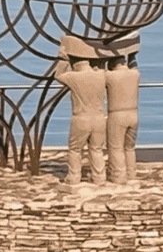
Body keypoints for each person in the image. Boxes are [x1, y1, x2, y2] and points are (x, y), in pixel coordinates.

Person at [54, 38, 107, 186]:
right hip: (99, 118)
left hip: (81, 118)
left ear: (75, 63)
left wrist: (63, 59)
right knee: (96, 149)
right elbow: (102, 66)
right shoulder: (101, 75)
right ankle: (99, 177)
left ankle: (74, 177)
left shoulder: (74, 77)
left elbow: (58, 76)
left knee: (75, 150)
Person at [105, 51, 140, 183]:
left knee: (116, 148)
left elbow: (99, 70)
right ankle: (131, 173)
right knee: (129, 148)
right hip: (133, 114)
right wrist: (132, 54)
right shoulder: (135, 74)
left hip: (117, 114)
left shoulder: (110, 76)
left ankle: (118, 176)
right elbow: (134, 64)